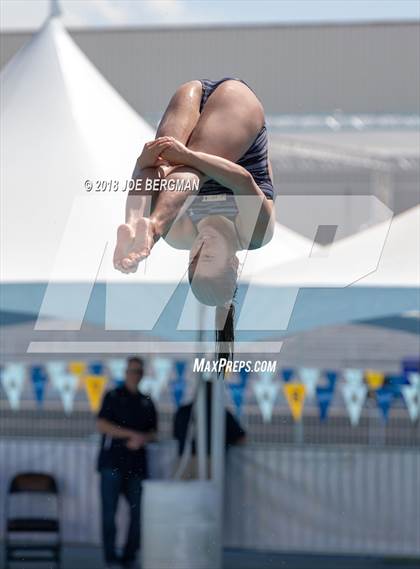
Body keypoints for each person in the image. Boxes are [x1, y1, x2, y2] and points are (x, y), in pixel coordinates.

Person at [113, 78, 276, 374]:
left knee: (162, 166)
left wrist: (143, 162)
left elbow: (150, 168)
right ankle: (151, 229)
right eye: (209, 257)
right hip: (238, 103)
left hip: (192, 93)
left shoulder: (181, 236)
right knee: (188, 170)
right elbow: (242, 180)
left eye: (194, 258)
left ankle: (137, 225)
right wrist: (188, 155)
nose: (200, 246)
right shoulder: (255, 234)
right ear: (233, 263)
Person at [96, 357, 157, 569]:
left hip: (137, 466)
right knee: (109, 513)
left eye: (138, 371)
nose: (135, 375)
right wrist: (130, 435)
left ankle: (130, 556)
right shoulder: (113, 396)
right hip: (112, 463)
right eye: (132, 371)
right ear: (125, 373)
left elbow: (154, 433)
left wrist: (142, 438)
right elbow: (102, 424)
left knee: (138, 513)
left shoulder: (146, 401)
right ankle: (111, 558)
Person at [173, 380, 246, 479]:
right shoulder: (221, 413)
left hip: (184, 461)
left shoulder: (183, 411)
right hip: (211, 461)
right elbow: (241, 437)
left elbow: (175, 435)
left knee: (184, 492)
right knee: (207, 492)